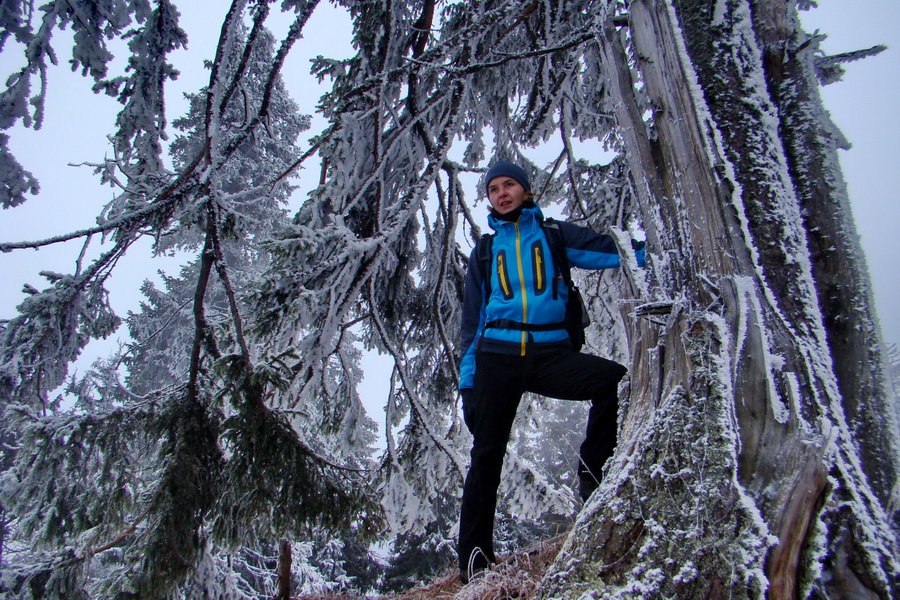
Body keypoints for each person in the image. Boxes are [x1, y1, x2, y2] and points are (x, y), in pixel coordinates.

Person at [456, 160, 645, 584]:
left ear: (526, 190)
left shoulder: (555, 234)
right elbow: (471, 324)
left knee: (613, 380)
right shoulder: (485, 252)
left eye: (509, 185)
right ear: (489, 199)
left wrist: (660, 247)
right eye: (493, 189)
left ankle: (593, 477)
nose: (502, 193)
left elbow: (614, 252)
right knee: (486, 455)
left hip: (550, 356)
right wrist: (468, 384)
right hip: (496, 359)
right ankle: (475, 564)